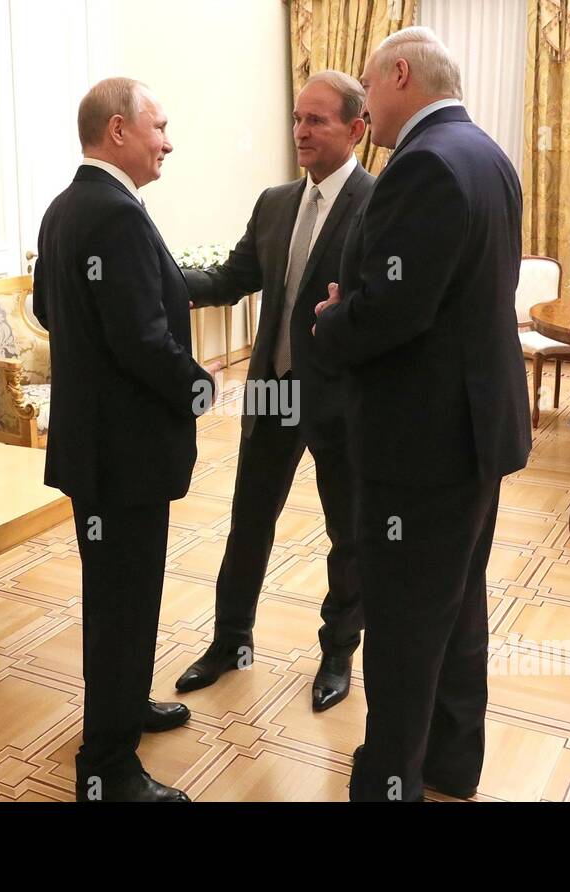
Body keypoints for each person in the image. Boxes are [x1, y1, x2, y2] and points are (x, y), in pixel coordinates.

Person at [312, 27, 532, 802]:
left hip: (420, 445)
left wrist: (334, 319)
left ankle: (389, 782)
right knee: (458, 607)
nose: (366, 105)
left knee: (404, 626)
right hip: (474, 431)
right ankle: (449, 763)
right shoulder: (489, 156)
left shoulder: (422, 165)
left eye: (369, 88)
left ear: (400, 74)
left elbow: (391, 313)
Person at [34, 77, 220, 802]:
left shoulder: (65, 208)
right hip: (126, 457)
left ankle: (125, 705)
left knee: (117, 599)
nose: (168, 142)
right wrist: (199, 386)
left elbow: (50, 309)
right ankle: (108, 768)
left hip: (94, 451)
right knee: (124, 604)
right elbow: (144, 339)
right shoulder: (116, 215)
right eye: (160, 127)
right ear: (118, 130)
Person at [174, 71, 374, 712]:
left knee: (348, 533)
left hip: (340, 401)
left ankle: (338, 652)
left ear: (356, 128)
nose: (301, 132)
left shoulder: (378, 202)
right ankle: (231, 641)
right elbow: (231, 277)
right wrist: (156, 275)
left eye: (317, 120)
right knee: (248, 522)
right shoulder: (275, 202)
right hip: (270, 392)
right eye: (297, 119)